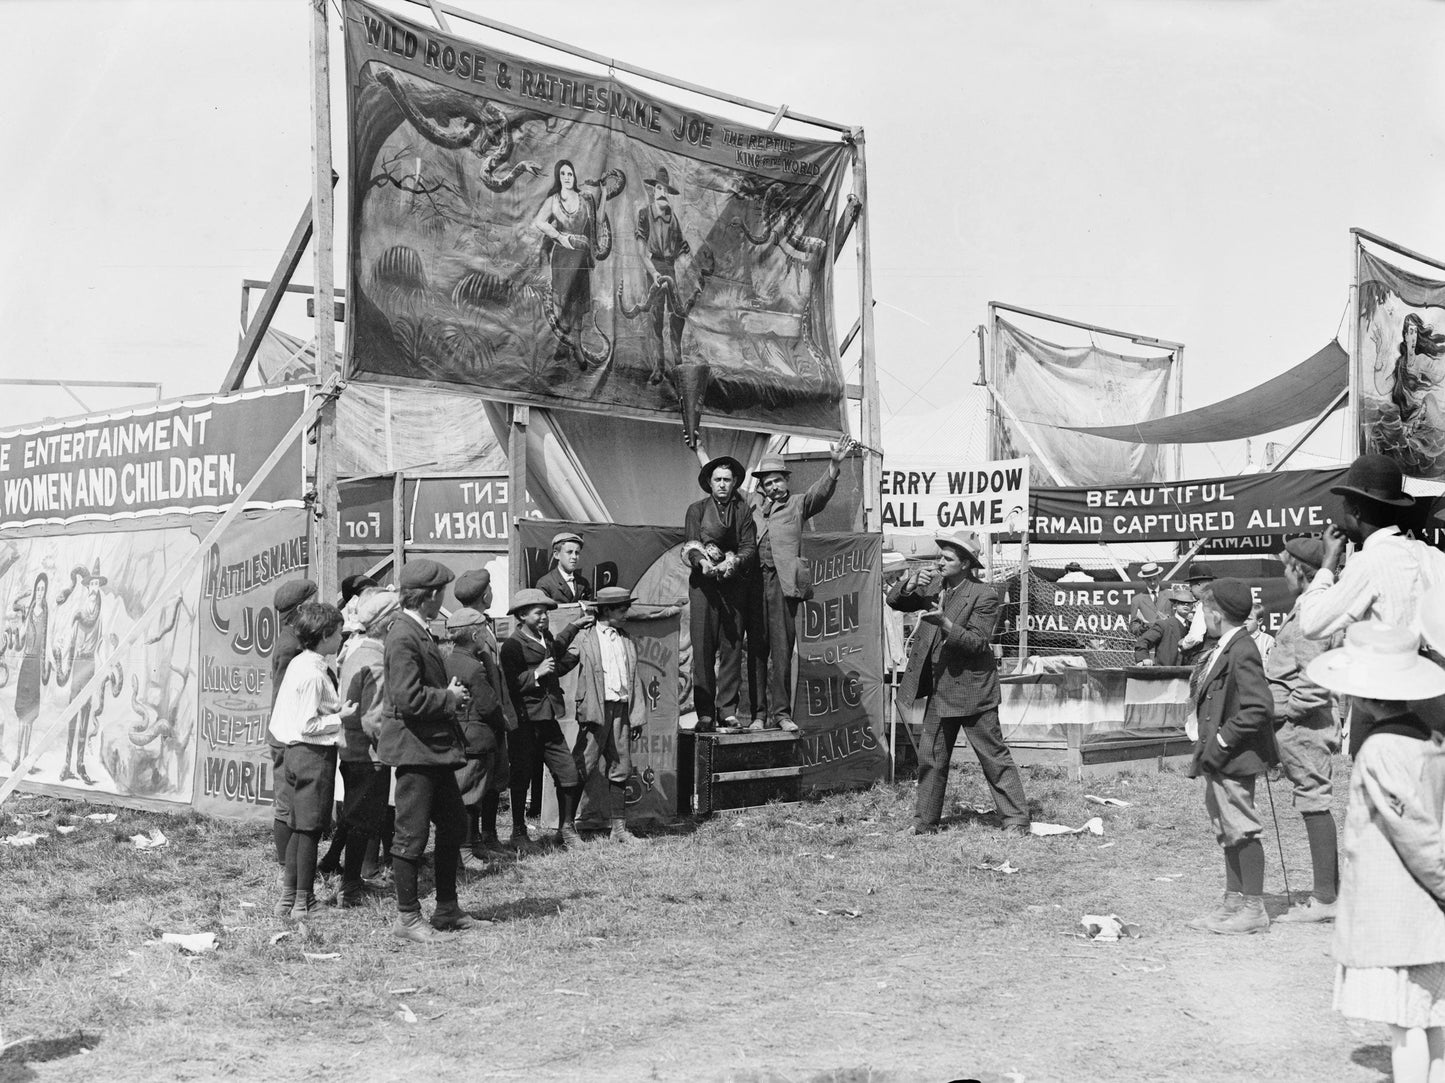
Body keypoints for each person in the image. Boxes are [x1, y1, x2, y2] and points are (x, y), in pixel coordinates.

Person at [1307, 617, 1445, 1083]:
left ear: (1361, 695)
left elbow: (1415, 831)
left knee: (1406, 1024)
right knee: (1433, 1019)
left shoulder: (1382, 749)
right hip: (1426, 914)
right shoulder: (1430, 738)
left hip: (1403, 909)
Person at [887, 530, 1030, 836]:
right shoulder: (935, 586)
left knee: (992, 756)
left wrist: (946, 624)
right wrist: (911, 583)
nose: (940, 562)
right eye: (940, 556)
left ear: (965, 564)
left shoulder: (984, 594)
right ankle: (924, 823)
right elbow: (895, 601)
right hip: (940, 688)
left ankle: (1016, 821)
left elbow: (978, 643)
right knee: (931, 757)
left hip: (973, 689)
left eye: (947, 558)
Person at [378, 559, 476, 943]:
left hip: (431, 749)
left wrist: (448, 698)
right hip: (415, 750)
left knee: (453, 824)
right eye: (442, 594)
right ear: (431, 596)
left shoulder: (415, 630)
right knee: (411, 835)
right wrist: (448, 697)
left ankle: (447, 909)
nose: (443, 600)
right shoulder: (403, 635)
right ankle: (408, 919)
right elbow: (407, 698)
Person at [1184, 579, 1277, 936]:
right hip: (1219, 758)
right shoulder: (1227, 645)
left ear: (1216, 614)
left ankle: (1253, 908)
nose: (1201, 616)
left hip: (1234, 757)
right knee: (1226, 828)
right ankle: (1233, 902)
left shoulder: (1242, 649)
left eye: (1203, 611)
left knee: (1242, 828)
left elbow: (1258, 707)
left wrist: (1222, 740)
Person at [745, 436, 856, 731]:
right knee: (757, 651)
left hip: (784, 587)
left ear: (786, 481)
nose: (773, 487)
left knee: (782, 652)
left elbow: (819, 495)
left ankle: (781, 714)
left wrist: (834, 464)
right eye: (768, 483)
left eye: (778, 481)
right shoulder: (751, 507)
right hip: (755, 587)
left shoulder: (797, 505)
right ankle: (758, 715)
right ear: (761, 486)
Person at [1266, 538, 1341, 924]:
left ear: (1299, 569)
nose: (1283, 575)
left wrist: (1284, 714)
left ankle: (1325, 898)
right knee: (1314, 800)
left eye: (1285, 567)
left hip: (1303, 725)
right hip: (1300, 723)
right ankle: (1330, 893)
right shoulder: (1312, 607)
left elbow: (1313, 682)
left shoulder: (1312, 614)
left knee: (1314, 800)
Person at [1297, 454, 1445, 641]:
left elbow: (1311, 624)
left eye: (1345, 509)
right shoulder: (1431, 555)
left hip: (1385, 668)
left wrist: (1327, 563)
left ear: (1356, 512)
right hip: (1428, 668)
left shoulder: (1367, 563)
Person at [267, 601, 354, 920]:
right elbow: (308, 724)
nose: (342, 638)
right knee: (310, 831)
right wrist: (339, 717)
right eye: (339, 633)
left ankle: (288, 898)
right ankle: (305, 902)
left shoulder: (301, 663)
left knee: (296, 827)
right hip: (312, 755)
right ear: (325, 635)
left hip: (294, 754)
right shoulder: (314, 674)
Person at [330, 588, 398, 908]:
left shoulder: (357, 651)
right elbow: (374, 721)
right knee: (363, 822)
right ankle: (351, 888)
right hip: (368, 755)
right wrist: (392, 751)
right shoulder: (376, 660)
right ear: (387, 625)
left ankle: (350, 881)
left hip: (350, 749)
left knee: (356, 818)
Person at [500, 589, 585, 846]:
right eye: (538, 613)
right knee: (521, 779)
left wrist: (573, 641)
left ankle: (566, 830)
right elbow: (511, 684)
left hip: (548, 719)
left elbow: (555, 654)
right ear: (522, 615)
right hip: (524, 723)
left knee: (569, 773)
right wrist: (536, 674)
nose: (544, 617)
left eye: (546, 612)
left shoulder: (544, 637)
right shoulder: (512, 646)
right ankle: (518, 832)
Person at [683, 454, 757, 733]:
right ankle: (704, 713)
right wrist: (702, 563)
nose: (723, 484)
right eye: (718, 480)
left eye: (727, 479)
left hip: (733, 587)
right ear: (709, 483)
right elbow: (690, 544)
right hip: (703, 587)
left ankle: (727, 710)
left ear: (735, 482)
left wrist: (734, 562)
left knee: (732, 647)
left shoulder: (744, 511)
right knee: (702, 649)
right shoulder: (696, 509)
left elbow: (750, 548)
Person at [571, 586, 648, 843]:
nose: (626, 612)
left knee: (621, 767)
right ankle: (566, 829)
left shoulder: (625, 638)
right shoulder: (585, 637)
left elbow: (634, 678)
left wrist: (635, 715)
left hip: (621, 709)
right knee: (581, 766)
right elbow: (564, 661)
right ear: (605, 610)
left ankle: (619, 830)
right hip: (595, 709)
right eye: (621, 608)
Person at [451, 568, 515, 858]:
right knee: (479, 784)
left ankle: (484, 839)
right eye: (489, 589)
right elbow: (485, 680)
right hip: (484, 719)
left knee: (492, 780)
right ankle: (478, 841)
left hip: (489, 719)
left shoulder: (482, 626)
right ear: (483, 594)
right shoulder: (475, 630)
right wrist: (500, 718)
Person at [267, 579, 318, 875]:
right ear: (301, 609)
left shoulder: (293, 638)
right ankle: (287, 868)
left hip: (287, 730)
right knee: (287, 804)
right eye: (313, 602)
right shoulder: (291, 645)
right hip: (287, 732)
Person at [533, 159, 600, 366]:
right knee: (565, 303)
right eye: (563, 174)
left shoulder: (584, 199)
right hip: (562, 256)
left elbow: (596, 223)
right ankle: (566, 344)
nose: (567, 177)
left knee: (578, 305)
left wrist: (604, 193)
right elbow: (539, 221)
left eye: (569, 173)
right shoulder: (553, 200)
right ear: (558, 176)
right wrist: (560, 237)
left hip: (581, 257)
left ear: (574, 176)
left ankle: (574, 347)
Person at [634, 166, 691, 385]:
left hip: (671, 269)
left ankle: (678, 367)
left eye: (665, 189)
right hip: (654, 267)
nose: (662, 193)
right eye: (659, 188)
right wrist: (655, 274)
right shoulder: (644, 215)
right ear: (653, 190)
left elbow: (682, 249)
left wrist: (684, 271)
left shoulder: (673, 218)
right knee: (656, 319)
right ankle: (658, 369)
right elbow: (641, 252)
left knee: (676, 317)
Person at [54, 561, 106, 785]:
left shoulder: (96, 606)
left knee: (84, 713)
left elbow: (89, 621)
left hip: (89, 663)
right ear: (87, 586)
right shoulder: (85, 603)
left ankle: (80, 763)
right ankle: (67, 763)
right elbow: (76, 632)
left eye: (96, 584)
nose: (94, 588)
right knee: (72, 713)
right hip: (77, 662)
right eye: (91, 584)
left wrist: (77, 616)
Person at [10, 572, 49, 774]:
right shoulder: (30, 609)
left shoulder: (46, 614)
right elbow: (22, 637)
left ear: (46, 591)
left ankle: (26, 757)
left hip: (36, 666)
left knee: (31, 711)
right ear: (35, 591)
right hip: (26, 663)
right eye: (38, 589)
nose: (40, 592)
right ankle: (17, 755)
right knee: (21, 711)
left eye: (43, 589)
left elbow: (45, 642)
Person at [1134, 585, 1194, 666]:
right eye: (1182, 602)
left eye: (1189, 603)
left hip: (1187, 674)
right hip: (1165, 673)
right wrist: (1144, 658)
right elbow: (1143, 641)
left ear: (1192, 607)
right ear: (1175, 606)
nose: (1186, 605)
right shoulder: (1164, 625)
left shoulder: (1193, 628)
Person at [536, 531, 594, 605]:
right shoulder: (545, 584)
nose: (574, 557)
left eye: (577, 553)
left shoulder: (583, 583)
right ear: (556, 555)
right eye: (569, 552)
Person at [1177, 563, 1217, 664]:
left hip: (1205, 658)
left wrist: (1184, 643)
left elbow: (1196, 637)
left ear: (1199, 584)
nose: (1190, 590)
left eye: (1191, 586)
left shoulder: (1204, 603)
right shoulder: (1221, 600)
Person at [1127, 562, 1165, 637]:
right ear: (1143, 579)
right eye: (1149, 580)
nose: (1153, 583)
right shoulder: (1137, 600)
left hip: (1167, 641)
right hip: (1149, 643)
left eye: (1155, 579)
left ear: (1159, 576)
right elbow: (1133, 627)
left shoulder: (1170, 595)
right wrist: (1144, 627)